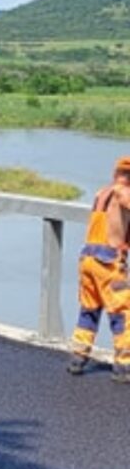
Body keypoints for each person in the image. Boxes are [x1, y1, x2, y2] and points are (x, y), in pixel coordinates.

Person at [68, 157, 130, 382]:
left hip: (88, 259)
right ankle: (124, 366)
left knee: (89, 309)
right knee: (122, 313)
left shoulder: (101, 193)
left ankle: (78, 357)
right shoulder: (123, 193)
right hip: (109, 261)